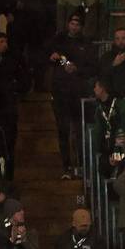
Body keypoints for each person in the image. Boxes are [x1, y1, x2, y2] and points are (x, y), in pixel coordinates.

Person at [48, 12, 96, 178]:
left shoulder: (87, 43)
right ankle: (66, 167)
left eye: (78, 24)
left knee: (79, 131)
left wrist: (77, 69)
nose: (74, 26)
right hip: (60, 93)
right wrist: (57, 59)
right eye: (72, 23)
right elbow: (51, 56)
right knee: (63, 130)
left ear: (81, 26)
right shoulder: (58, 39)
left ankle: (81, 167)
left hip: (79, 94)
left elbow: (92, 67)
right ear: (68, 23)